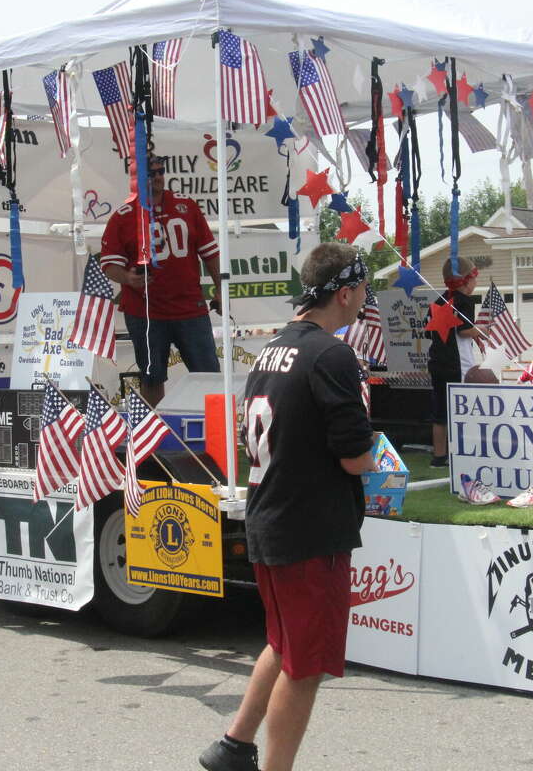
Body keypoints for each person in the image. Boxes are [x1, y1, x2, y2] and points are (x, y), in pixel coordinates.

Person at [200, 243, 376, 771]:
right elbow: (354, 459)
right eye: (363, 291)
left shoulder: (271, 349)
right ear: (345, 294)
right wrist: (371, 454)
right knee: (304, 666)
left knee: (283, 643)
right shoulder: (332, 354)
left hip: (270, 516)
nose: (364, 300)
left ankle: (233, 745)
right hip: (308, 529)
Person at [99, 154, 222, 406]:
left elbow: (210, 253)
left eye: (160, 172)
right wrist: (128, 278)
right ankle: (154, 438)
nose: (157, 177)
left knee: (209, 375)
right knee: (152, 378)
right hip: (146, 312)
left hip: (190, 308)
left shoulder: (186, 206)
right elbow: (109, 264)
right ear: (136, 179)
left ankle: (214, 437)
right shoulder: (123, 216)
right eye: (150, 173)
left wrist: (221, 289)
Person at [424, 257, 484, 468]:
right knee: (461, 409)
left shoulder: (439, 301)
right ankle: (462, 452)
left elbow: (427, 326)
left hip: (437, 362)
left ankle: (439, 456)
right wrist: (482, 331)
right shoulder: (463, 301)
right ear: (465, 281)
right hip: (458, 364)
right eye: (474, 278)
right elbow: (464, 330)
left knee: (439, 411)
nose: (476, 283)